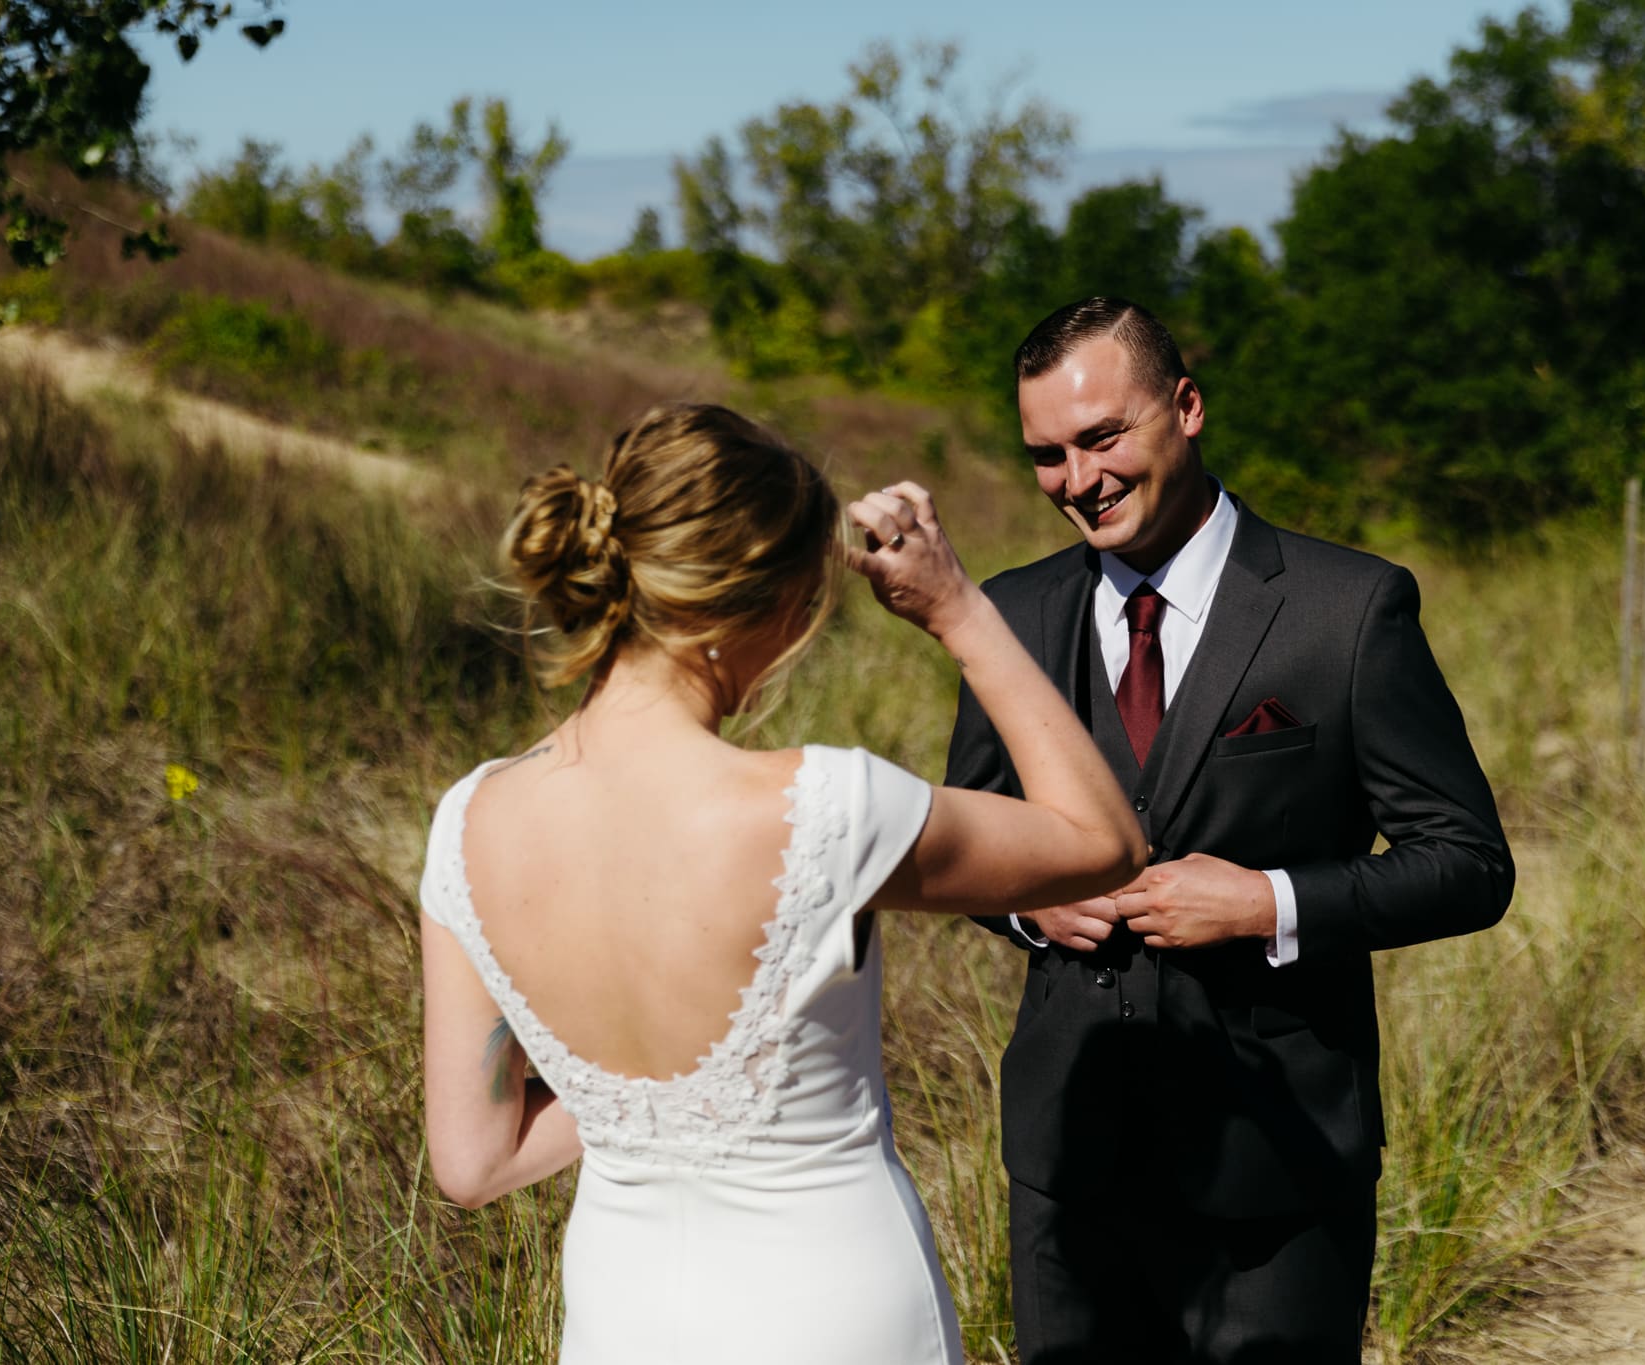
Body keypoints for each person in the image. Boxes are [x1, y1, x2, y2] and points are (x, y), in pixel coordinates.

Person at [416, 403, 1144, 1363]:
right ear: (751, 604)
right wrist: (960, 611)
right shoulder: (822, 808)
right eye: (804, 605)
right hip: (832, 1310)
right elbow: (1101, 840)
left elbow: (473, 1164)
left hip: (623, 1314)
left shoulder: (469, 822)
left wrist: (634, 1102)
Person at [943, 298, 1515, 1363]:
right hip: (1070, 1168)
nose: (1078, 481)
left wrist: (1268, 902)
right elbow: (967, 841)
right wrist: (1027, 900)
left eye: (1102, 437)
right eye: (1046, 456)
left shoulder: (1347, 610)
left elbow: (1468, 865)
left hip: (1279, 1172)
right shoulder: (1008, 618)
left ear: (1187, 406)